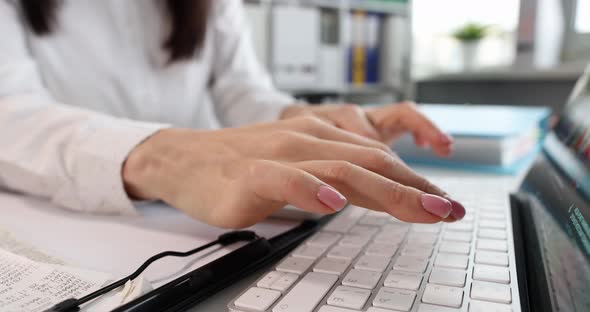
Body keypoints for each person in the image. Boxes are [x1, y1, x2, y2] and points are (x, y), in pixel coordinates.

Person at [0, 0, 464, 229]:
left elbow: (242, 91)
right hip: (65, 223)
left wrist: (315, 119)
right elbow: (11, 113)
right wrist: (154, 157)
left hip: (199, 220)